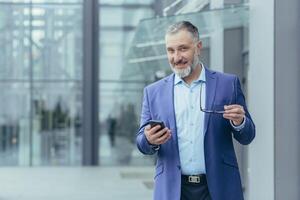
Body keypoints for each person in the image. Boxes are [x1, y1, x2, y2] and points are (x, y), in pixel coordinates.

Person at [136, 21, 255, 200]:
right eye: (170, 50)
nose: (176, 57)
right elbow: (141, 143)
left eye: (183, 49)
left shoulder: (227, 84)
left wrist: (239, 122)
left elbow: (248, 136)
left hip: (217, 187)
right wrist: (149, 139)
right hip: (173, 189)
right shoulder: (153, 92)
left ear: (198, 47)